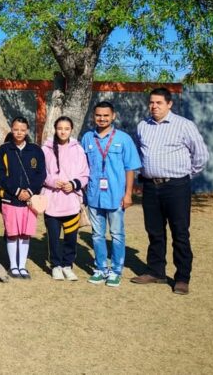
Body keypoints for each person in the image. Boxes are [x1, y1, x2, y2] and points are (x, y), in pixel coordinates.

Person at [133, 87, 209, 295]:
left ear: (169, 104)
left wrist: (184, 177)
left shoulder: (184, 125)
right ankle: (156, 271)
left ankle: (182, 277)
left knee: (180, 232)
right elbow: (140, 153)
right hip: (150, 186)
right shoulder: (142, 126)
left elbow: (201, 156)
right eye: (151, 102)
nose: (154, 106)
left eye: (158, 103)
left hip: (176, 186)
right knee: (154, 231)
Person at [80, 101, 141, 288]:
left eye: (106, 115)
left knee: (116, 234)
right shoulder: (88, 138)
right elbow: (81, 167)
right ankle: (100, 268)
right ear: (93, 116)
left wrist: (128, 194)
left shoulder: (123, 139)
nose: (102, 118)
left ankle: (116, 270)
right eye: (98, 115)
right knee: (97, 234)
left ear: (113, 116)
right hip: (94, 196)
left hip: (116, 196)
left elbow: (130, 168)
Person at [0, 116, 45, 280]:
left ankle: (22, 266)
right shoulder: (4, 150)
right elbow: (0, 175)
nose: (19, 133)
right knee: (12, 233)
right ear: (11, 129)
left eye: (23, 130)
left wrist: (30, 191)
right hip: (11, 199)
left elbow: (41, 173)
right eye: (16, 129)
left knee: (25, 233)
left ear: (27, 130)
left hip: (30, 200)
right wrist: (16, 191)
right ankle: (13, 266)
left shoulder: (36, 150)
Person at [41, 116, 89, 281]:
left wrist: (74, 184)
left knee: (71, 237)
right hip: (52, 201)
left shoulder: (78, 149)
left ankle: (68, 265)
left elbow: (85, 174)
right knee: (53, 238)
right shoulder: (46, 149)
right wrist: (53, 182)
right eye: (60, 128)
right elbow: (41, 174)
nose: (63, 131)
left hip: (71, 202)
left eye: (66, 129)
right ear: (55, 129)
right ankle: (55, 265)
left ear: (71, 130)